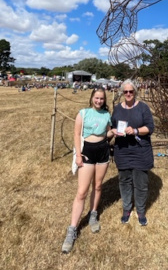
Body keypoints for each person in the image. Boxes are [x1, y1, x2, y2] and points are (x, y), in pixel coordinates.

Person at [62, 88, 113, 254]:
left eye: (101, 99)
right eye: (96, 98)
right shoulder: (82, 113)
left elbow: (108, 133)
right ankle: (72, 229)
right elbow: (77, 135)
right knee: (82, 192)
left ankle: (93, 214)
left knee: (98, 186)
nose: (99, 101)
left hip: (103, 151)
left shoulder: (107, 115)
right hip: (87, 152)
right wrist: (78, 156)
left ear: (104, 100)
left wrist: (115, 132)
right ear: (92, 98)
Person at [109, 79, 154, 226]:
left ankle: (140, 211)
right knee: (124, 181)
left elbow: (150, 128)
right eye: (125, 91)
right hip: (122, 150)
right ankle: (127, 209)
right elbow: (111, 126)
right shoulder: (117, 109)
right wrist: (113, 131)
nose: (128, 94)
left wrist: (135, 131)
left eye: (131, 91)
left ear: (135, 92)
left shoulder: (143, 108)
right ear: (122, 92)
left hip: (140, 150)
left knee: (141, 183)